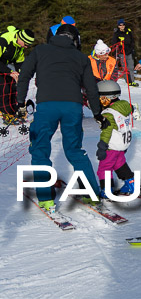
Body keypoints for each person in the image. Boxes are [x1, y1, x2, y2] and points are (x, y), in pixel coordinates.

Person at [16, 24, 107, 212]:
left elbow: (24, 75)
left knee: (40, 150)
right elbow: (90, 88)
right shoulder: (81, 57)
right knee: (74, 149)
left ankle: (46, 199)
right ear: (75, 39)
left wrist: (20, 102)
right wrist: (97, 113)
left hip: (47, 105)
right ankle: (92, 194)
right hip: (72, 107)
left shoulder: (40, 50)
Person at [95, 80, 136, 198]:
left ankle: (106, 191)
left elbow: (107, 131)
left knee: (104, 167)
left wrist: (102, 146)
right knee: (119, 164)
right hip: (123, 143)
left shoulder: (108, 113)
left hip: (111, 145)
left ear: (106, 98)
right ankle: (131, 184)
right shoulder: (125, 107)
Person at [110, 18, 138, 87]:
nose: (122, 26)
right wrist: (119, 46)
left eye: (123, 25)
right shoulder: (116, 33)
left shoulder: (128, 31)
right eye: (120, 25)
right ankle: (128, 81)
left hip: (129, 52)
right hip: (122, 52)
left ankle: (132, 80)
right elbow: (114, 43)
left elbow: (132, 41)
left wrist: (131, 48)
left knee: (131, 66)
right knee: (125, 67)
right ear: (118, 26)